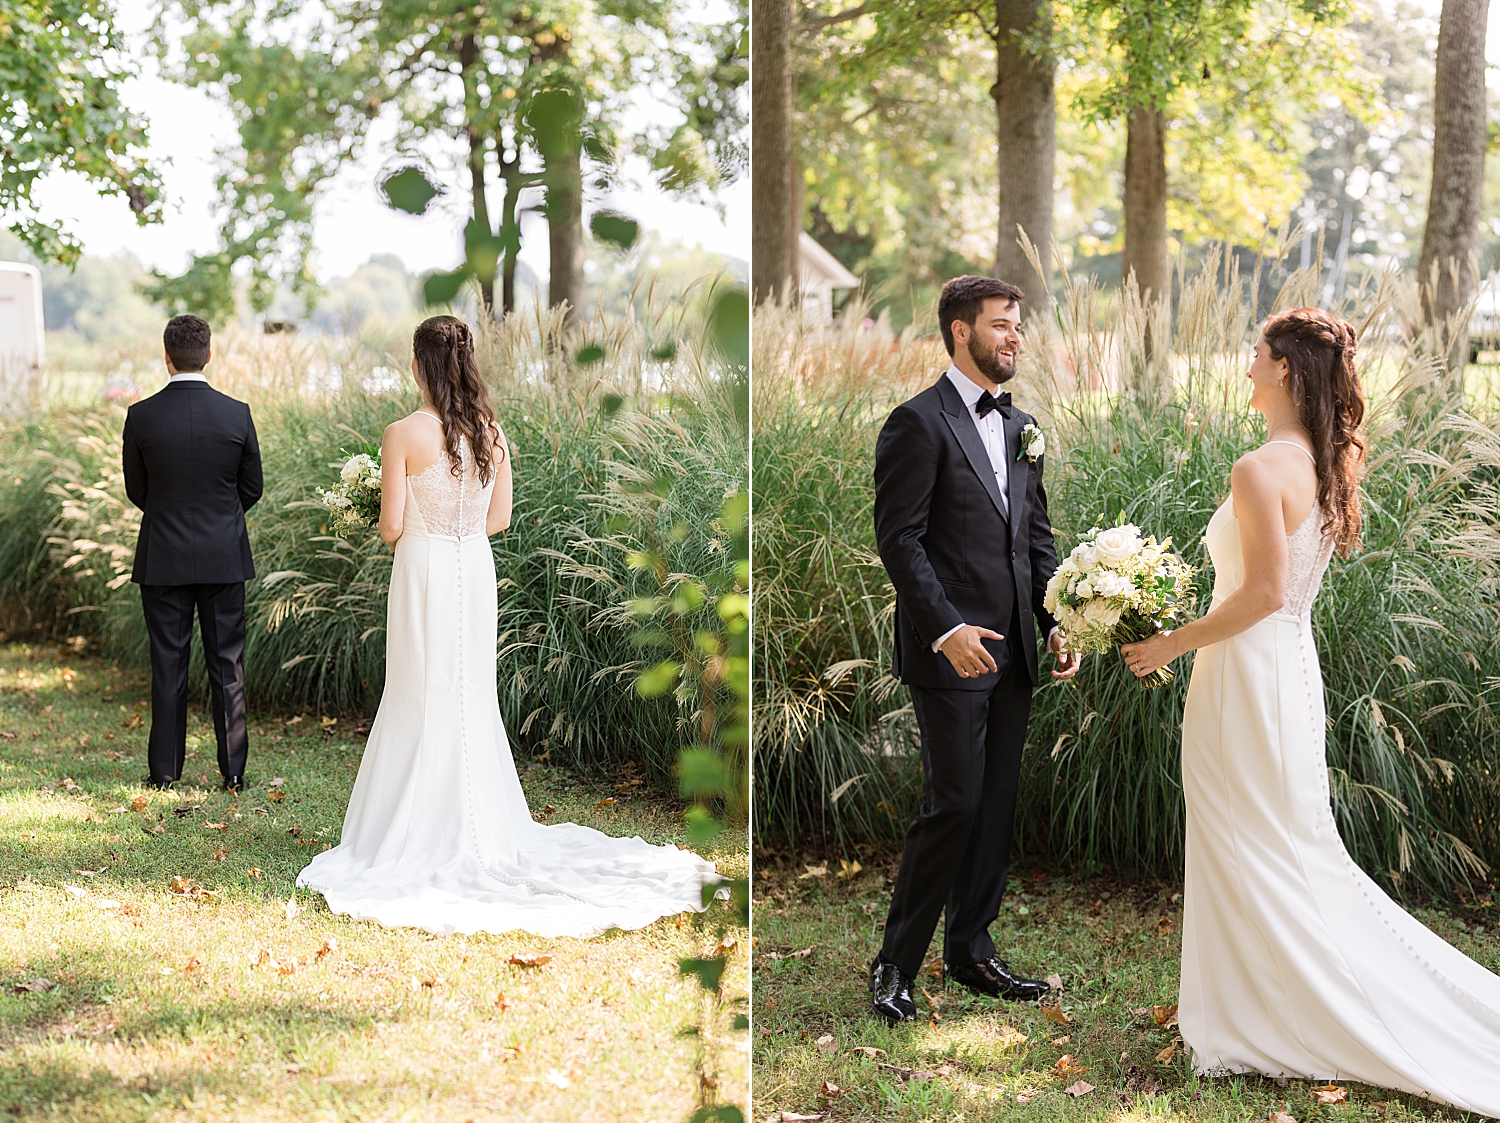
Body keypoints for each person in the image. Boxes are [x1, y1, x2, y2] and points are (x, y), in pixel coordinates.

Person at [1121, 307, 1500, 1114]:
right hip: (1286, 670)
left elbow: (1260, 593)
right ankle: (1249, 1004)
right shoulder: (1317, 463)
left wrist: (1169, 643)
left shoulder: (1260, 469)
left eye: (1256, 355)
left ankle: (1270, 1014)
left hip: (1247, 673)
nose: (1245, 366)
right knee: (1277, 842)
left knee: (1253, 839)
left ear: (1287, 370)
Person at [296, 315, 721, 937]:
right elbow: (499, 519)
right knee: (469, 695)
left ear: (418, 366)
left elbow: (390, 527)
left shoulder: (402, 434)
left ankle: (414, 829)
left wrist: (402, 513)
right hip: (473, 566)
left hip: (424, 569)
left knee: (419, 690)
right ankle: (482, 824)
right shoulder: (490, 433)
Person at [868, 276, 1081, 1024]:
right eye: (1001, 325)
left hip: (1015, 650)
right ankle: (895, 964)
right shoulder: (916, 423)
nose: (1015, 337)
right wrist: (946, 628)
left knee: (992, 804)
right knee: (953, 802)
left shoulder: (1025, 425)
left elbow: (1037, 540)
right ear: (961, 332)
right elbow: (900, 539)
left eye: (1018, 325)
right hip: (951, 650)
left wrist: (1056, 620)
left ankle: (971, 952)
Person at [123, 314, 261, 792]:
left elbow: (136, 490)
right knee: (228, 665)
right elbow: (252, 487)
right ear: (209, 354)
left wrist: (168, 515)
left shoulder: (140, 416)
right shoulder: (236, 413)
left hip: (163, 556)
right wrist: (221, 520)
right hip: (224, 557)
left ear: (166, 358)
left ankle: (164, 772)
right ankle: (234, 772)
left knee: (168, 664)